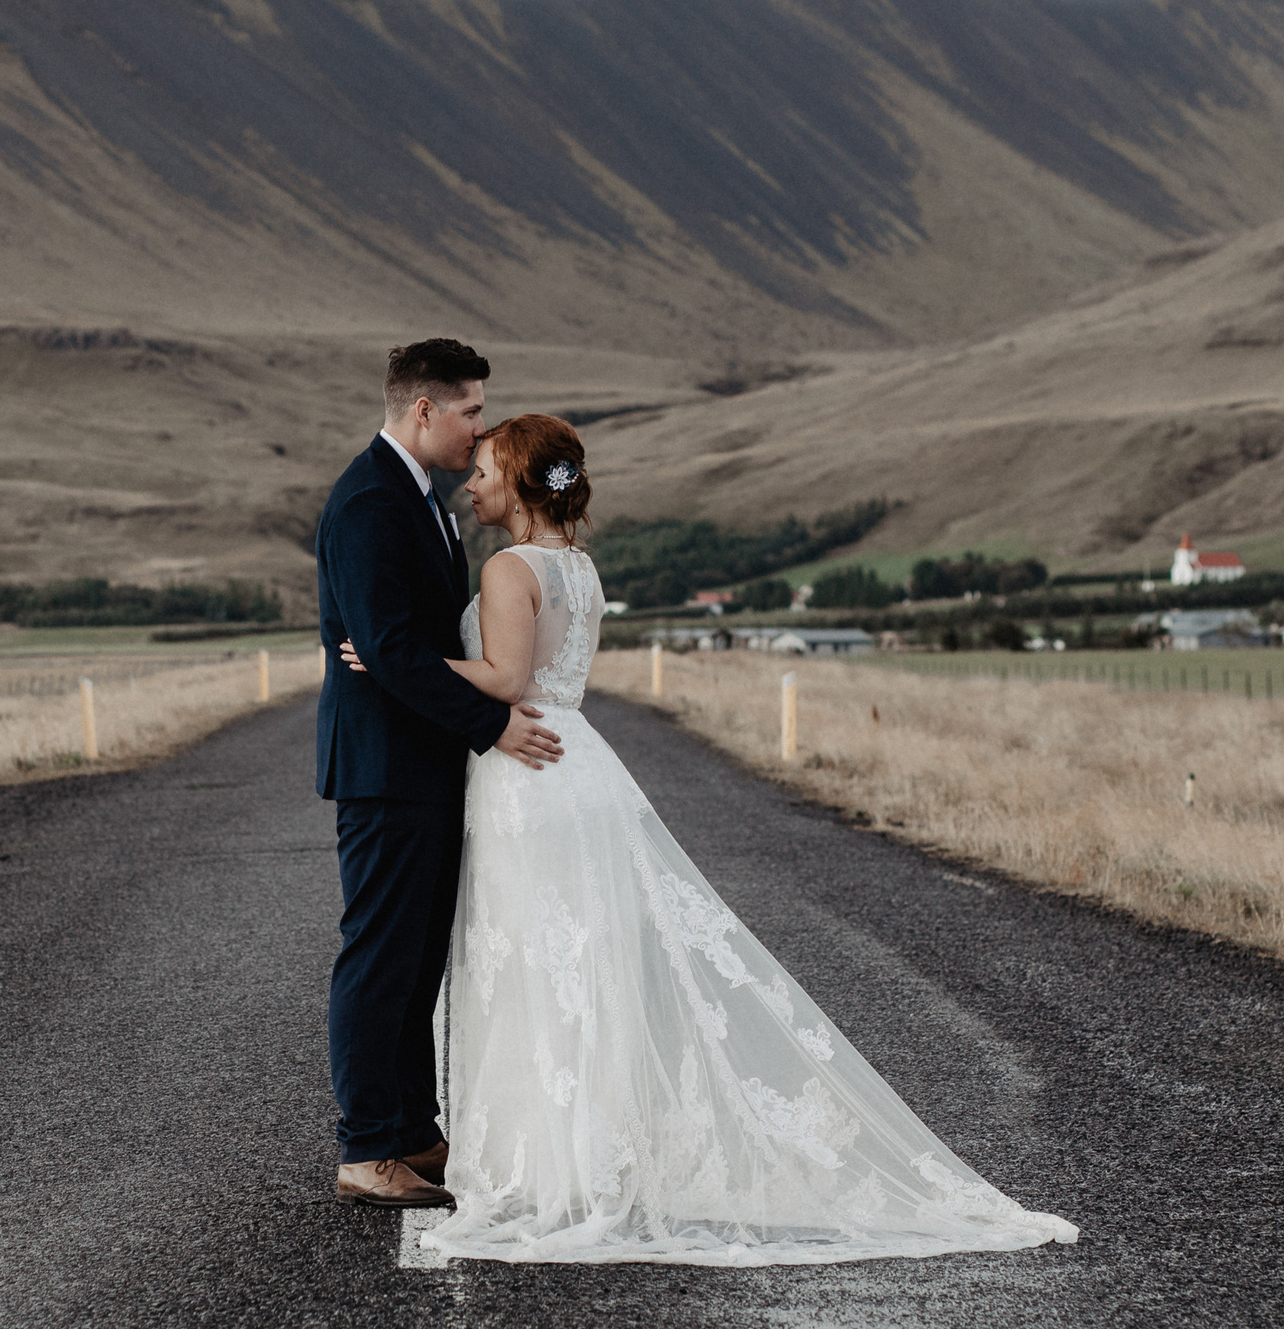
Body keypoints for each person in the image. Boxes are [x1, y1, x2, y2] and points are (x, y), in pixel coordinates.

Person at [339, 414, 1079, 1264]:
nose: (470, 482)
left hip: (526, 772)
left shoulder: (510, 567)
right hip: (578, 762)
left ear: (519, 479)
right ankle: (577, 1153)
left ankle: (546, 1164)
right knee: (582, 965)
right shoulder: (579, 568)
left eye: (485, 469)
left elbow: (506, 680)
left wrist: (394, 661)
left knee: (536, 966)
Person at [313, 340, 563, 1210]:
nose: (480, 427)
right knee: (380, 957)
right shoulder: (369, 502)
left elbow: (408, 646)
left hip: (424, 763)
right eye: (471, 411)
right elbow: (383, 647)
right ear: (424, 409)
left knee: (419, 960)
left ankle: (414, 1130)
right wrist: (493, 723)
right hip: (384, 767)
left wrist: (418, 669)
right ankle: (366, 1148)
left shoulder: (424, 501)